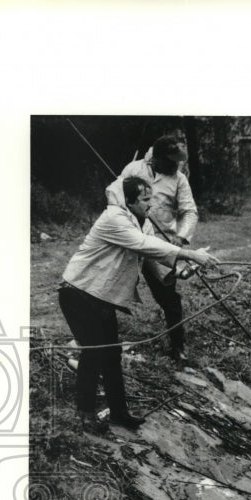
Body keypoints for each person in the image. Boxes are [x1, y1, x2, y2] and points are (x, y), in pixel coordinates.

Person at [60, 175, 218, 432]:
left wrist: (181, 269)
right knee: (94, 353)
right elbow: (143, 244)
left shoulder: (140, 222)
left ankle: (119, 413)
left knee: (111, 355)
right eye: (145, 200)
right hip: (78, 293)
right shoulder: (114, 219)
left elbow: (151, 255)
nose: (150, 205)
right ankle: (85, 415)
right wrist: (189, 253)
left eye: (150, 199)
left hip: (102, 298)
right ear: (129, 201)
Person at [105, 134, 199, 364]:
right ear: (156, 158)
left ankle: (178, 347)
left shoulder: (179, 180)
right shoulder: (133, 169)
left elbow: (189, 211)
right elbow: (112, 194)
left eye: (178, 163)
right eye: (171, 162)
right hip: (130, 240)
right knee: (109, 290)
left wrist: (181, 237)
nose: (175, 166)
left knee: (169, 298)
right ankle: (105, 344)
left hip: (160, 245)